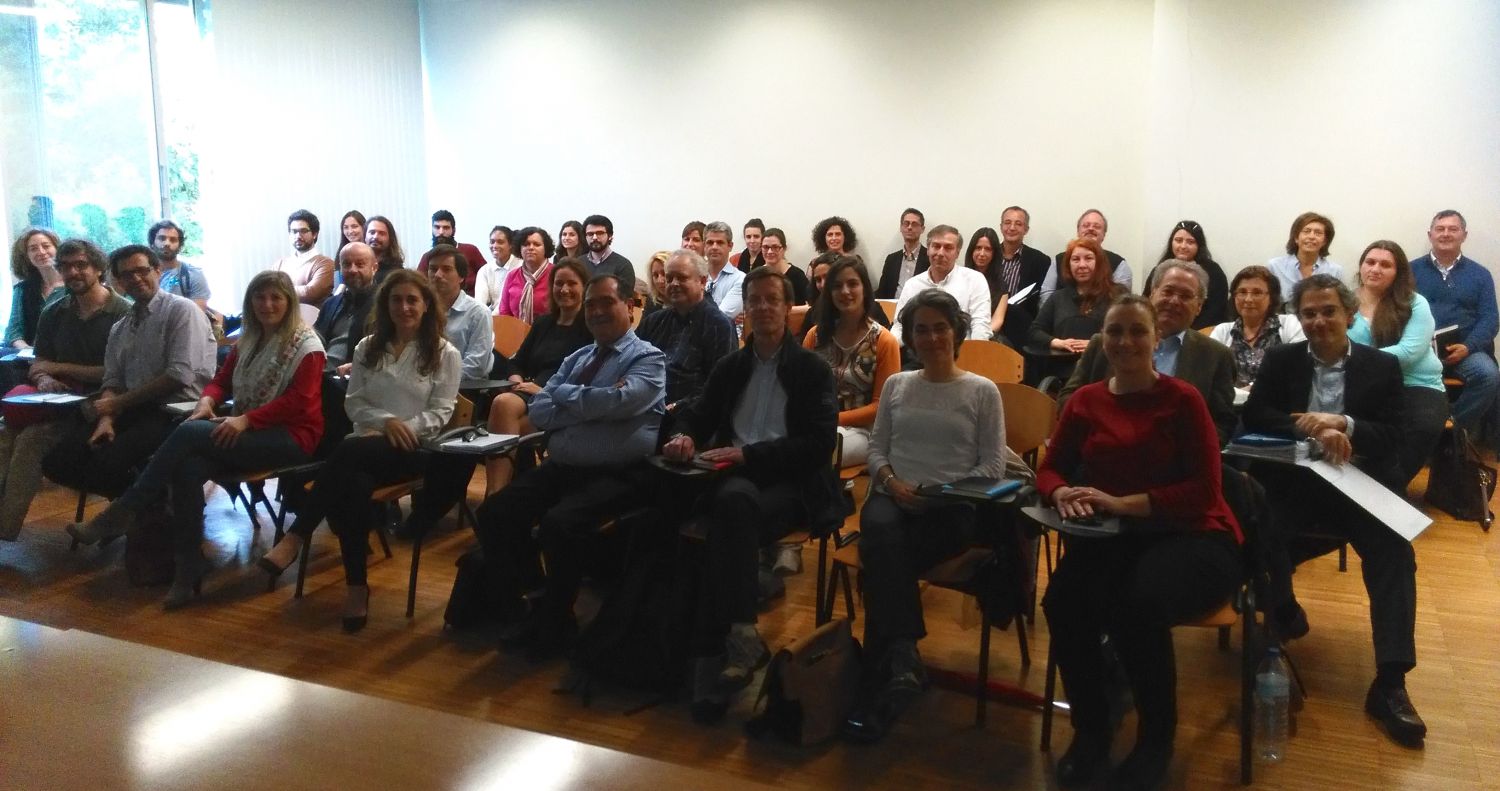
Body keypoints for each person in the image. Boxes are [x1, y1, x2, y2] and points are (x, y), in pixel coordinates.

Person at [1041, 294, 1243, 791]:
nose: (1125, 341)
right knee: (1062, 602)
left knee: (1138, 603)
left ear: (1156, 339)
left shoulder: (1183, 399)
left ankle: (1157, 738)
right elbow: (1050, 467)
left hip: (1193, 534)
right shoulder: (1087, 399)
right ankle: (1092, 730)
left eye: (1137, 331)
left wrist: (1120, 502)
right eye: (1115, 331)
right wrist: (1062, 489)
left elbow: (1204, 492)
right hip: (1116, 537)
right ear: (1101, 339)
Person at [1241, 274, 1424, 749]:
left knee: (1394, 554)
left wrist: (1346, 424)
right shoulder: (1283, 360)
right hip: (1299, 482)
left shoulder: (1380, 366)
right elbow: (1257, 415)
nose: (1319, 321)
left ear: (1348, 315)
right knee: (1261, 529)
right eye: (1309, 313)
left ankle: (1390, 682)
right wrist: (1312, 431)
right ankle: (1280, 615)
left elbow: (1396, 436)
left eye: (1328, 312)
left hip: (1360, 483)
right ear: (1299, 319)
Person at [67, 272, 324, 608]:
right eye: (260, 298)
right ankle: (188, 568)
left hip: (290, 437)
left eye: (276, 298)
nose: (268, 305)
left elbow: (299, 402)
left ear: (289, 302)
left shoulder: (307, 345)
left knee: (188, 432)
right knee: (187, 466)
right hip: (246, 429)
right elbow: (221, 381)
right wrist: (208, 401)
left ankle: (124, 509)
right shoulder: (249, 338)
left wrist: (245, 419)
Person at [662, 266, 840, 721]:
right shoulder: (732, 366)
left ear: (787, 308)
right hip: (735, 480)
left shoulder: (811, 369)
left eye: (771, 300)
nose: (762, 308)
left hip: (791, 481)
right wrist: (683, 436)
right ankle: (734, 634)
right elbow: (698, 414)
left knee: (728, 513)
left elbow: (818, 445)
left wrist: (750, 456)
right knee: (729, 510)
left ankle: (717, 655)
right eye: (754, 300)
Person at [260, 269, 460, 632]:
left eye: (412, 299)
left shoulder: (445, 353)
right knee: (352, 483)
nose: (404, 306)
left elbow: (442, 412)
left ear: (427, 305)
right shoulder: (367, 346)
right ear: (385, 305)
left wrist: (406, 427)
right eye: (396, 299)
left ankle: (297, 534)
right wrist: (387, 422)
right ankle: (356, 587)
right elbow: (355, 404)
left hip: (415, 450)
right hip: (365, 446)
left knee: (347, 456)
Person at [479, 273, 665, 658]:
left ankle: (556, 619)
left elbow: (623, 402)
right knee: (496, 512)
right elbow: (542, 411)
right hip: (563, 467)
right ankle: (536, 596)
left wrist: (563, 397)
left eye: (606, 303)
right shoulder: (578, 357)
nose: (596, 311)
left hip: (620, 473)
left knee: (559, 524)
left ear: (629, 306)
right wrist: (589, 402)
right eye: (591, 305)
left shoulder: (648, 358)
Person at [854, 288, 1005, 734]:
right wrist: (892, 483)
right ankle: (901, 661)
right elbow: (877, 450)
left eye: (941, 327)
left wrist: (939, 492)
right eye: (922, 329)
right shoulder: (899, 385)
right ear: (911, 336)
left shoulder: (982, 391)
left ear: (956, 331)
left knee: (883, 562)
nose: (932, 336)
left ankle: (884, 674)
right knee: (882, 534)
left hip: (953, 508)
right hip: (892, 499)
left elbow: (992, 467)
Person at [40, 245, 216, 501]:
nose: (135, 278)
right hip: (132, 409)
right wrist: (106, 419)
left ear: (157, 270)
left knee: (107, 459)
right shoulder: (122, 325)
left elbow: (178, 376)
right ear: (118, 281)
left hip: (176, 411)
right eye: (126, 275)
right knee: (57, 460)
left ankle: (139, 510)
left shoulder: (182, 310)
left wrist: (117, 403)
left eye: (142, 270)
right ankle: (143, 506)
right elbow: (113, 379)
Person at [0, 240, 130, 541]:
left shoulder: (122, 313)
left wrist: (60, 369)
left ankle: (5, 530)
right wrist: (45, 378)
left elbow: (116, 373)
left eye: (81, 265)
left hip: (103, 403)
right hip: (56, 399)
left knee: (33, 439)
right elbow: (39, 362)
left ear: (99, 268)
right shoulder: (55, 311)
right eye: (66, 266)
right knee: (4, 433)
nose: (73, 272)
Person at [1060, 259, 1236, 443]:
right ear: (1152, 294)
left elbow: (1222, 423)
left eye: (1185, 296)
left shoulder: (1216, 356)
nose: (1174, 301)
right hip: (1102, 451)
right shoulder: (1104, 344)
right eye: (1167, 291)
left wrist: (1188, 450)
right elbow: (1068, 398)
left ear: (1199, 306)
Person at [479, 258, 593, 495]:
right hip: (526, 393)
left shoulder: (590, 327)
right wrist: (517, 381)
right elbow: (516, 361)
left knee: (502, 413)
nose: (564, 289)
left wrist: (543, 391)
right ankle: (504, 495)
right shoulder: (544, 323)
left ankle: (496, 494)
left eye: (572, 283)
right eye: (558, 283)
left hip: (560, 401)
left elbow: (589, 376)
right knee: (505, 418)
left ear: (584, 287)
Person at [1350, 240, 1447, 486]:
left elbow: (1408, 352)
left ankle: (1388, 492)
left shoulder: (1415, 303)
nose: (1375, 269)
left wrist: (1357, 359)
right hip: (1365, 385)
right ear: (1361, 266)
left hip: (1417, 383)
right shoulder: (1344, 304)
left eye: (1385, 265)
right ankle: (1356, 491)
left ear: (1398, 272)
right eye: (1370, 262)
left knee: (1422, 427)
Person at [1412, 209, 1498, 444]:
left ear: (1464, 235)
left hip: (1466, 352)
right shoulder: (1410, 271)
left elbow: (1490, 319)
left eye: (1453, 229)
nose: (1446, 234)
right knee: (1391, 372)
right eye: (1440, 229)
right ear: (1430, 234)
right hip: (1421, 351)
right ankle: (1415, 432)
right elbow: (1399, 313)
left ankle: (1446, 431)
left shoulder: (1480, 274)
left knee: (1489, 376)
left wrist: (1468, 347)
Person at [803, 257, 898, 468]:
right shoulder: (815, 336)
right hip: (814, 424)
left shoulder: (883, 341)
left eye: (852, 284)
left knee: (817, 449)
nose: (845, 291)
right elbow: (799, 387)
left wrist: (834, 419)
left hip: (863, 430)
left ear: (865, 288)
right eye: (837, 286)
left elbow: (880, 407)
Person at [637, 249, 738, 440]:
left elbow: (718, 387)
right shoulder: (655, 321)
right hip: (643, 408)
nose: (674, 284)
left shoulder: (719, 324)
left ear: (702, 281)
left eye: (681, 278)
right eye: (669, 278)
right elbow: (631, 360)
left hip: (687, 420)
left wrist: (677, 407)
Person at [1029, 238, 1121, 380]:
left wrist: (1095, 344)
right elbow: (1034, 332)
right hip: (1061, 376)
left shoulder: (1116, 296)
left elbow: (1123, 334)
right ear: (1068, 265)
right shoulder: (1058, 297)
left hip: (1103, 373)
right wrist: (1058, 342)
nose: (1081, 265)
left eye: (1088, 258)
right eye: (1075, 259)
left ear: (1099, 262)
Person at [891, 225, 991, 343]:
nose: (940, 253)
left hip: (962, 353)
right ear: (928, 249)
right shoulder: (912, 285)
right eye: (936, 246)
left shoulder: (975, 280)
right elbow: (900, 326)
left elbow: (980, 326)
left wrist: (975, 357)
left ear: (957, 253)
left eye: (948, 248)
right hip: (919, 354)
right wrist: (889, 350)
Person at [1209, 265, 1304, 387]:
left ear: (1271, 298)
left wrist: (1255, 388)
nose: (1248, 299)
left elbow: (1298, 367)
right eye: (1242, 292)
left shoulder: (1289, 324)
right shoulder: (1222, 331)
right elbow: (1210, 372)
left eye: (1257, 292)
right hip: (1231, 402)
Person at [427, 244, 495, 380]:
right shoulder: (421, 309)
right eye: (433, 269)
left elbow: (475, 366)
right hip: (422, 384)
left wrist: (436, 380)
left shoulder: (479, 313)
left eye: (446, 269)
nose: (438, 275)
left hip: (464, 389)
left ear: (461, 277)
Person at [1147, 220, 1228, 328]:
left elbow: (1216, 308)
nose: (1183, 246)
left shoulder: (1213, 272)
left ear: (1199, 245)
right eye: (1178, 240)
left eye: (1190, 242)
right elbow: (1146, 302)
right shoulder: (1161, 268)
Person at [992, 206, 1053, 349]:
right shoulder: (989, 255)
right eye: (1007, 222)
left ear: (1026, 229)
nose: (1012, 227)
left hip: (1021, 327)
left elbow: (1039, 299)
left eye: (1018, 224)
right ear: (1001, 227)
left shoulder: (1040, 260)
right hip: (989, 321)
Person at [313, 242, 378, 376]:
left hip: (356, 379)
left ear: (374, 268)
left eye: (360, 264)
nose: (352, 270)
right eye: (347, 264)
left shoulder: (384, 305)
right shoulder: (330, 303)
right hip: (320, 374)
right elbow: (314, 340)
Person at [1040, 210, 1131, 304]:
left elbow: (1121, 304)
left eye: (1097, 226)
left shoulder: (1119, 264)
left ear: (1104, 234)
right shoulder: (1059, 260)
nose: (1091, 229)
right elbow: (1046, 293)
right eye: (1086, 225)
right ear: (1078, 231)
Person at [5, 228, 65, 350]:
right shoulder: (22, 289)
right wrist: (28, 350)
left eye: (46, 246)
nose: (41, 252)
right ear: (26, 256)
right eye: (33, 249)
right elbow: (14, 332)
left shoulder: (74, 286)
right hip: (31, 359)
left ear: (57, 248)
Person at [1267, 211, 1342, 300]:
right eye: (1306, 231)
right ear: (1296, 238)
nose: (1311, 236)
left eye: (1318, 233)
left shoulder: (1335, 271)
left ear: (1325, 241)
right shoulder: (1275, 266)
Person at [273, 209, 336, 308]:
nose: (298, 236)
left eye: (303, 231)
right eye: (294, 231)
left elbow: (310, 293)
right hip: (283, 321)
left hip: (312, 321)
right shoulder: (280, 264)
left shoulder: (325, 263)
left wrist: (278, 290)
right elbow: (269, 291)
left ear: (314, 234)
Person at [417, 210, 486, 295]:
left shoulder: (470, 250)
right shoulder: (427, 257)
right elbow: (419, 285)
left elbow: (488, 276)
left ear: (453, 230)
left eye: (446, 228)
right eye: (437, 227)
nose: (441, 232)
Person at [496, 226, 555, 324]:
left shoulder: (555, 273)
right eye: (526, 244)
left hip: (549, 334)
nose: (531, 248)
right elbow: (504, 311)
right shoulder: (512, 275)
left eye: (536, 244)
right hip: (516, 333)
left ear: (546, 248)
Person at [149, 220, 210, 309]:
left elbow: (196, 315)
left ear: (180, 247)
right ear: (152, 244)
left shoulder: (193, 274)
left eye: (173, 240)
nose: (167, 243)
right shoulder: (141, 275)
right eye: (162, 238)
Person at [876, 208, 928, 299]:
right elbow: (882, 291)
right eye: (906, 223)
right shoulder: (891, 259)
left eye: (914, 224)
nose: (909, 227)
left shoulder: (930, 257)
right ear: (901, 227)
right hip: (892, 309)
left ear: (922, 229)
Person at [963, 226, 1005, 338]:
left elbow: (997, 321)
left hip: (987, 337)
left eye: (988, 249)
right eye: (978, 248)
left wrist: (978, 337)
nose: (982, 253)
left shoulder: (1000, 284)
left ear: (994, 253)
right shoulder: (960, 277)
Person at [582, 214, 636, 295]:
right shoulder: (578, 263)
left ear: (610, 236)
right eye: (590, 234)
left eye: (600, 233)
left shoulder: (623, 265)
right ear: (585, 237)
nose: (594, 237)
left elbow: (625, 298)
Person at [703, 221, 747, 321]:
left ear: (730, 246)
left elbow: (719, 318)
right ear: (704, 246)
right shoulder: (694, 277)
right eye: (710, 242)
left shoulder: (740, 279)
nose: (714, 247)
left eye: (720, 242)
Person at [758, 228, 809, 305]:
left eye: (775, 247)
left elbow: (809, 306)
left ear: (784, 248)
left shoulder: (798, 276)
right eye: (765, 247)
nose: (770, 251)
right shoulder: (756, 277)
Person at [474, 225, 518, 311]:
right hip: (492, 317)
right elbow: (479, 302)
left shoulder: (520, 267)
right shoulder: (484, 270)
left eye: (500, 242)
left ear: (510, 245)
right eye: (492, 242)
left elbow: (510, 302)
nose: (495, 245)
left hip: (514, 316)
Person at [364, 215, 405, 282]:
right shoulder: (356, 268)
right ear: (365, 237)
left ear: (390, 239)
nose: (375, 237)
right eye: (372, 232)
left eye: (381, 233)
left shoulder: (397, 273)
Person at [640, 250, 670, 317]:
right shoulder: (652, 300)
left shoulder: (687, 304)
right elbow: (643, 326)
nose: (660, 280)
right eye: (655, 275)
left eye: (664, 273)